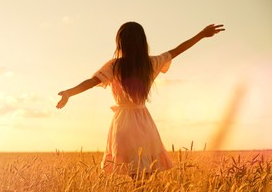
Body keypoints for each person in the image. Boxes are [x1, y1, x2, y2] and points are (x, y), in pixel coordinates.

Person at [56, 22, 225, 176]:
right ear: (143, 42)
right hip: (144, 122)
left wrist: (69, 93)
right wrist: (201, 35)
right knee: (146, 172)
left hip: (122, 124)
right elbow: (177, 50)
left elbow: (91, 82)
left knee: (135, 174)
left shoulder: (114, 66)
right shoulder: (150, 64)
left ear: (120, 43)